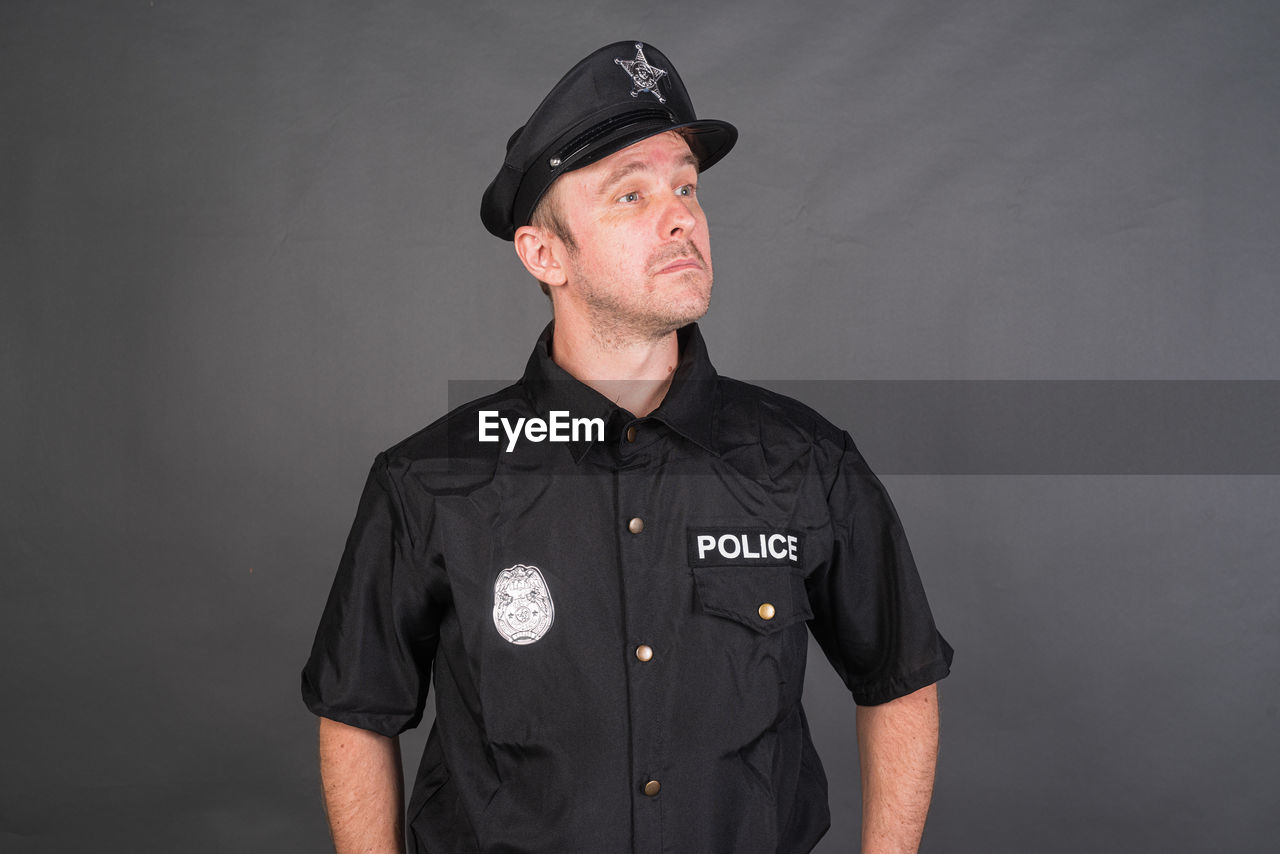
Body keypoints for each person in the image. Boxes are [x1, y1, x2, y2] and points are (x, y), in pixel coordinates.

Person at [302, 40, 953, 854]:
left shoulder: (807, 463)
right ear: (545, 253)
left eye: (686, 185)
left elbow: (899, 681)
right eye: (630, 194)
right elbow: (358, 712)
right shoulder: (430, 483)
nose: (681, 213)